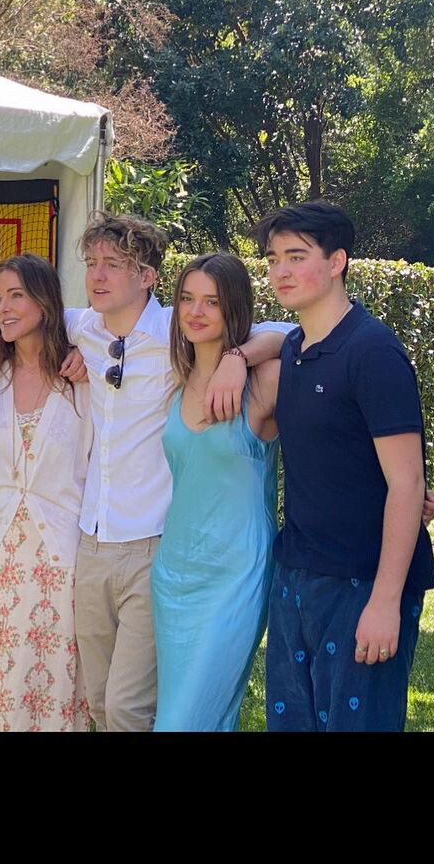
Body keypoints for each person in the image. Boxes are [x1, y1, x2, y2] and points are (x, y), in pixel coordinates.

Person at [0, 212, 292, 731]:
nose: (97, 275)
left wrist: (237, 357)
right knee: (98, 703)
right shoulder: (82, 327)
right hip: (90, 544)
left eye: (113, 264)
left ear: (148, 276)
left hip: (153, 544)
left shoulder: (177, 332)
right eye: (91, 263)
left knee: (128, 705)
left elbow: (289, 332)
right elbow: (13, 321)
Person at [255, 200, 434, 732]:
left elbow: (407, 483)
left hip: (364, 583)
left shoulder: (372, 350)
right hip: (296, 574)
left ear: (337, 262)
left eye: (296, 257)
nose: (281, 271)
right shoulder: (293, 347)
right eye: (273, 259)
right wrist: (237, 358)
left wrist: (384, 602)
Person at [0, 254, 92, 731]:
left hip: (60, 558)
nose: (3, 307)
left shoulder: (83, 377)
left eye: (16, 295)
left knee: (49, 681)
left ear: (45, 300)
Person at [152, 253, 280, 731]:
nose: (195, 311)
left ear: (235, 308)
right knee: (195, 717)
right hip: (173, 575)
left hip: (235, 574)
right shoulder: (176, 381)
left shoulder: (263, 383)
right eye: (187, 299)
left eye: (212, 301)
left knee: (182, 722)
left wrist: (238, 358)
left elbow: (311, 339)